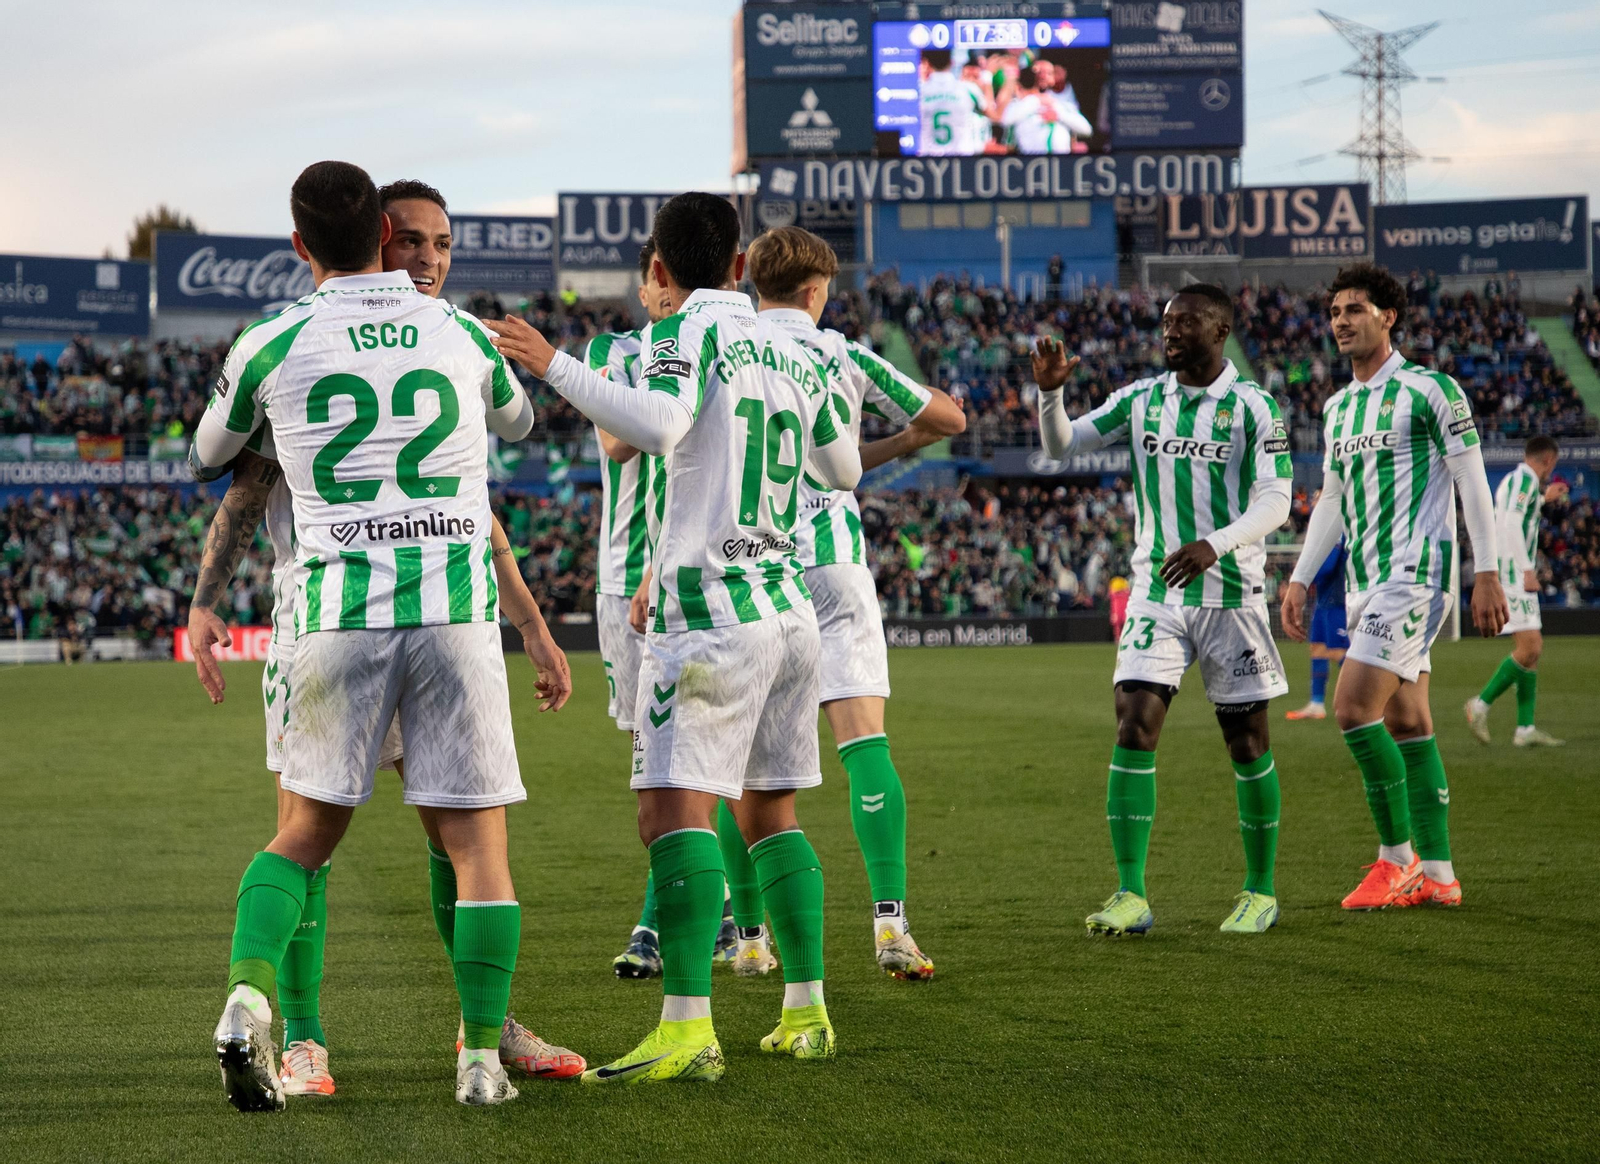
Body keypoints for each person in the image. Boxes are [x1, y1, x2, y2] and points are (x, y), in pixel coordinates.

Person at [185, 178, 582, 1101]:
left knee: (323, 836)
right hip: (429, 615)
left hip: (336, 620)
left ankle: (306, 1010)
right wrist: (210, 597)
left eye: (443, 243)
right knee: (460, 842)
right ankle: (318, 1041)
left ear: (300, 241)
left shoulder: (273, 343)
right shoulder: (465, 338)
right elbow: (248, 489)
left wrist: (531, 621)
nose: (430, 258)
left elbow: (214, 459)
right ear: (380, 236)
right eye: (413, 240)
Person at [484, 192, 863, 1084]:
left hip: (713, 609)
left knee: (669, 809)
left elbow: (652, 427)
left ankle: (688, 1026)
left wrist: (554, 364)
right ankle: (807, 1011)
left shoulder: (681, 333)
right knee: (771, 811)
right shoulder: (794, 341)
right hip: (789, 604)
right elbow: (841, 469)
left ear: (659, 270)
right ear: (740, 263)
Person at [1032, 284, 1294, 936]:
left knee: (1247, 741)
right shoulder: (1144, 398)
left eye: (1185, 323)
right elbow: (1062, 446)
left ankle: (1259, 890)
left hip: (1230, 592)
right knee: (1133, 723)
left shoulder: (1254, 408)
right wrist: (1050, 395)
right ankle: (1131, 893)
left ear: (1221, 328)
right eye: (1167, 322)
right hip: (1157, 592)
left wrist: (1217, 543)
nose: (1170, 333)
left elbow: (1277, 501)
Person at [746, 225, 966, 979]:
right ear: (816, 292)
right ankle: (890, 926)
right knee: (864, 743)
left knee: (747, 766)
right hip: (832, 566)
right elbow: (948, 419)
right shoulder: (838, 351)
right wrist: (904, 439)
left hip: (756, 567)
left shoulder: (736, 351)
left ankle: (749, 939)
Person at [1282, 263, 1508, 912]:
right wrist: (1299, 575)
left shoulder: (1430, 391)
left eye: (1355, 309)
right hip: (1365, 581)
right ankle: (1438, 873)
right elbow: (1333, 498)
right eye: (1334, 312)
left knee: (1354, 708)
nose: (1341, 321)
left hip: (1415, 576)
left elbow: (1470, 481)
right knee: (1409, 720)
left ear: (1390, 317)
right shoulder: (1339, 406)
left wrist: (1484, 569)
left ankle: (1396, 861)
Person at [595, 240, 740, 978]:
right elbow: (620, 444)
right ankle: (714, 911)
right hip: (624, 579)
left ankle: (658, 924)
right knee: (654, 761)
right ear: (652, 279)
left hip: (690, 575)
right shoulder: (619, 350)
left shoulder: (712, 346)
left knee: (681, 760)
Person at [1464, 435, 1566, 747]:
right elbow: (1509, 522)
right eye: (1553, 465)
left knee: (1533, 653)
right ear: (1548, 460)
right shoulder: (1523, 479)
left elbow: (1515, 514)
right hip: (1512, 576)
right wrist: (1526, 569)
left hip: (1512, 574)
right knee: (1530, 647)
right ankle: (1479, 705)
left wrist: (1543, 499)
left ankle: (1524, 729)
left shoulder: (1521, 484)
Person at [1285, 524, 1348, 721]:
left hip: (1337, 601)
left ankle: (1374, 696)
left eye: (1318, 495)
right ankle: (1316, 704)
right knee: (1318, 649)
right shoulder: (1324, 531)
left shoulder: (1337, 531)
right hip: (1323, 601)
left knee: (1338, 651)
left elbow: (1328, 566)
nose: (1315, 500)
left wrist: (1301, 578)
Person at [918, 49, 983, 157]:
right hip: (962, 160)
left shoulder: (919, 92)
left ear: (928, 63)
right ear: (952, 61)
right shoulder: (968, 89)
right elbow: (996, 116)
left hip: (928, 158)